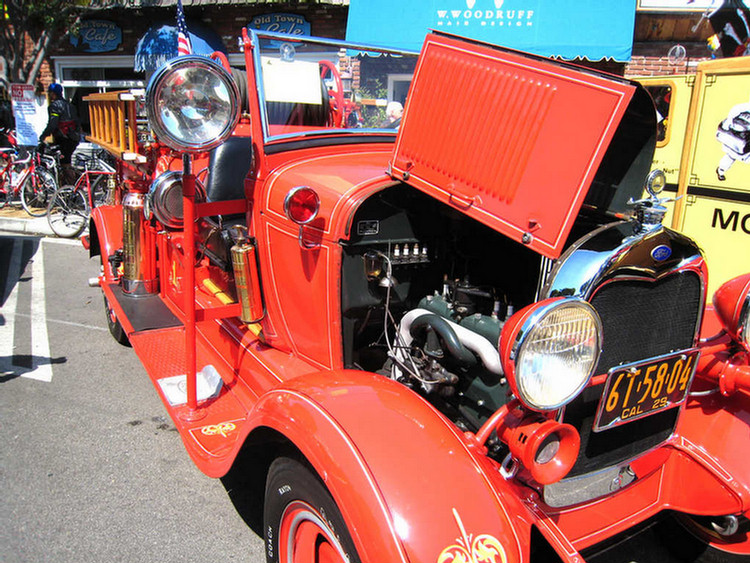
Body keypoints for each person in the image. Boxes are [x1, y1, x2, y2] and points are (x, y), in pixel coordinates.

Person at [39, 83, 80, 185]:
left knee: (64, 163)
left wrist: (43, 135)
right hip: (73, 138)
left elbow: (53, 124)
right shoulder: (70, 105)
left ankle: (70, 188)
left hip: (63, 138)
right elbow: (77, 122)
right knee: (67, 161)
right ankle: (69, 185)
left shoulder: (55, 106)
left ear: (53, 94)